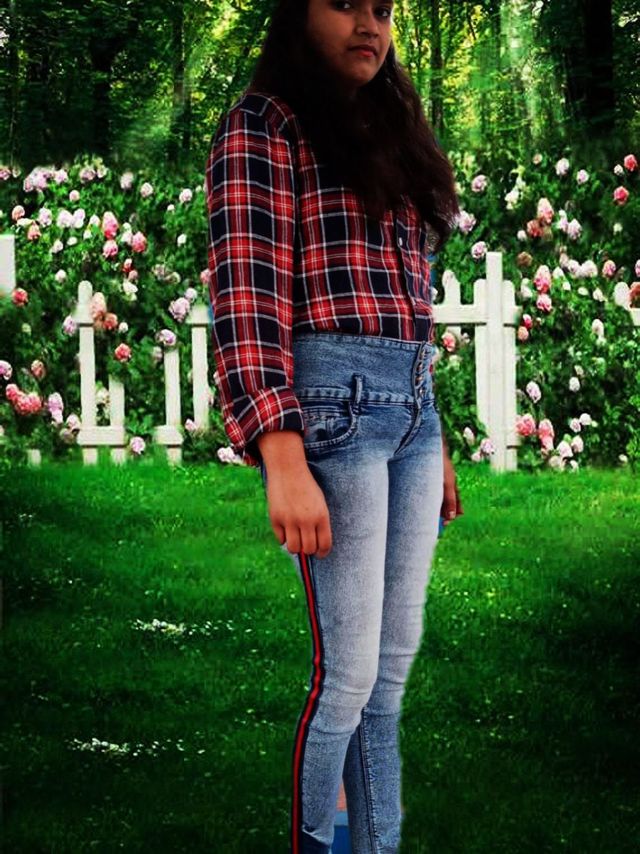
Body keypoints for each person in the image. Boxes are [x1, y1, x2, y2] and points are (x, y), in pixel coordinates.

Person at [205, 1, 463, 851]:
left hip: (412, 414)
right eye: (345, 2)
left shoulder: (390, 134)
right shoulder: (265, 125)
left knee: (387, 679)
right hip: (334, 414)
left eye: (382, 9)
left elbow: (411, 298)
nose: (369, 24)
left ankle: (376, 845)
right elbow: (247, 293)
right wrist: (280, 452)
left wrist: (434, 434)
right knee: (346, 678)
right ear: (297, 13)